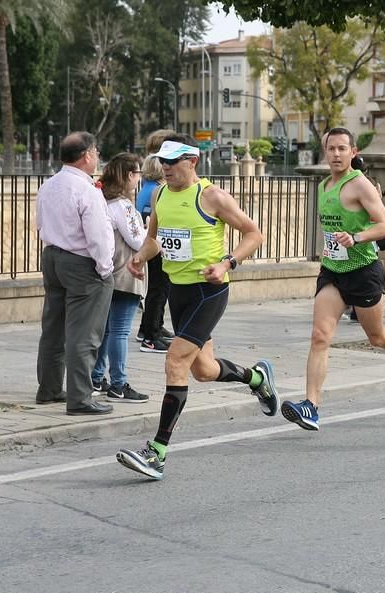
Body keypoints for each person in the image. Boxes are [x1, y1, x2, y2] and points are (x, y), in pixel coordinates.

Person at [116, 136, 279, 480]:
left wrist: (227, 263)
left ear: (193, 161)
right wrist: (140, 257)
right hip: (179, 292)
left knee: (175, 359)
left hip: (210, 291)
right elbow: (154, 238)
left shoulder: (212, 196)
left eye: (173, 161)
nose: (166, 167)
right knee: (203, 370)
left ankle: (157, 452)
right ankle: (257, 378)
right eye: (162, 161)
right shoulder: (160, 194)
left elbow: (254, 233)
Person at [279, 127, 385, 431]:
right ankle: (311, 406)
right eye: (331, 148)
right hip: (333, 271)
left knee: (377, 337)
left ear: (353, 152)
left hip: (363, 272)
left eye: (341, 149)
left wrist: (356, 237)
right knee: (320, 336)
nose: (335, 154)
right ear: (325, 151)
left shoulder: (359, 185)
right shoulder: (323, 186)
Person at [35, 132, 115, 415]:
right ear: (87, 155)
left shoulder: (49, 185)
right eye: (96, 152)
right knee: (84, 334)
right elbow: (98, 237)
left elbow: (40, 222)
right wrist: (105, 270)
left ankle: (49, 388)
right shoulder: (86, 190)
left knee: (53, 328)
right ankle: (80, 398)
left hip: (53, 257)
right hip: (82, 263)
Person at [90, 153, 150, 403]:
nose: (139, 179)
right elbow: (138, 240)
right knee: (120, 331)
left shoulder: (103, 200)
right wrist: (149, 227)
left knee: (105, 331)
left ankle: (96, 377)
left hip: (107, 273)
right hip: (126, 274)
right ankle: (119, 383)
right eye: (137, 174)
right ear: (128, 175)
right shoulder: (123, 206)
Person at [135, 129, 176, 353]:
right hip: (157, 248)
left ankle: (152, 328)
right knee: (158, 290)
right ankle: (151, 335)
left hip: (153, 247)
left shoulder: (147, 190)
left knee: (157, 290)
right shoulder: (158, 192)